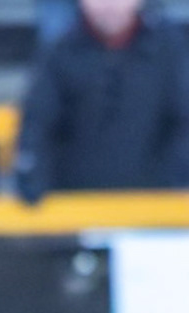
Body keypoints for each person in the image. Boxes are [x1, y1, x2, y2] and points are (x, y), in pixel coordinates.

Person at [14, 0, 189, 205]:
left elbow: (182, 123)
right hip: (75, 211)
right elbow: (38, 125)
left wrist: (174, 183)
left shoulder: (170, 49)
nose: (110, 4)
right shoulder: (59, 52)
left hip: (157, 214)